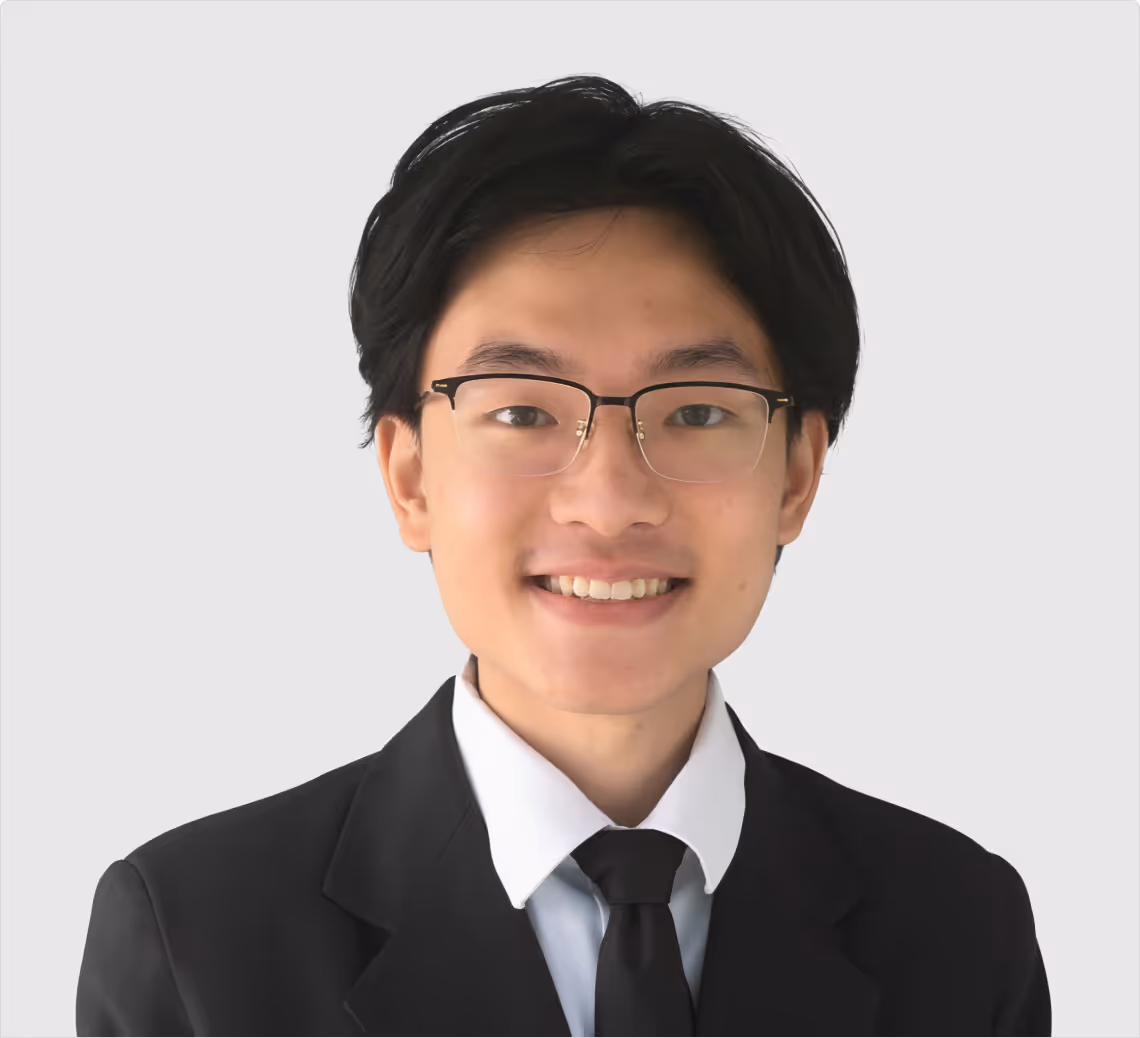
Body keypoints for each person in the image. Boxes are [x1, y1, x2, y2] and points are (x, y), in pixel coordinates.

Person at [76, 75, 1050, 1037]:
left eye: (698, 413)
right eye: (522, 411)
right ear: (409, 476)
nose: (610, 501)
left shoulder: (958, 925)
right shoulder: (198, 936)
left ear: (797, 475)